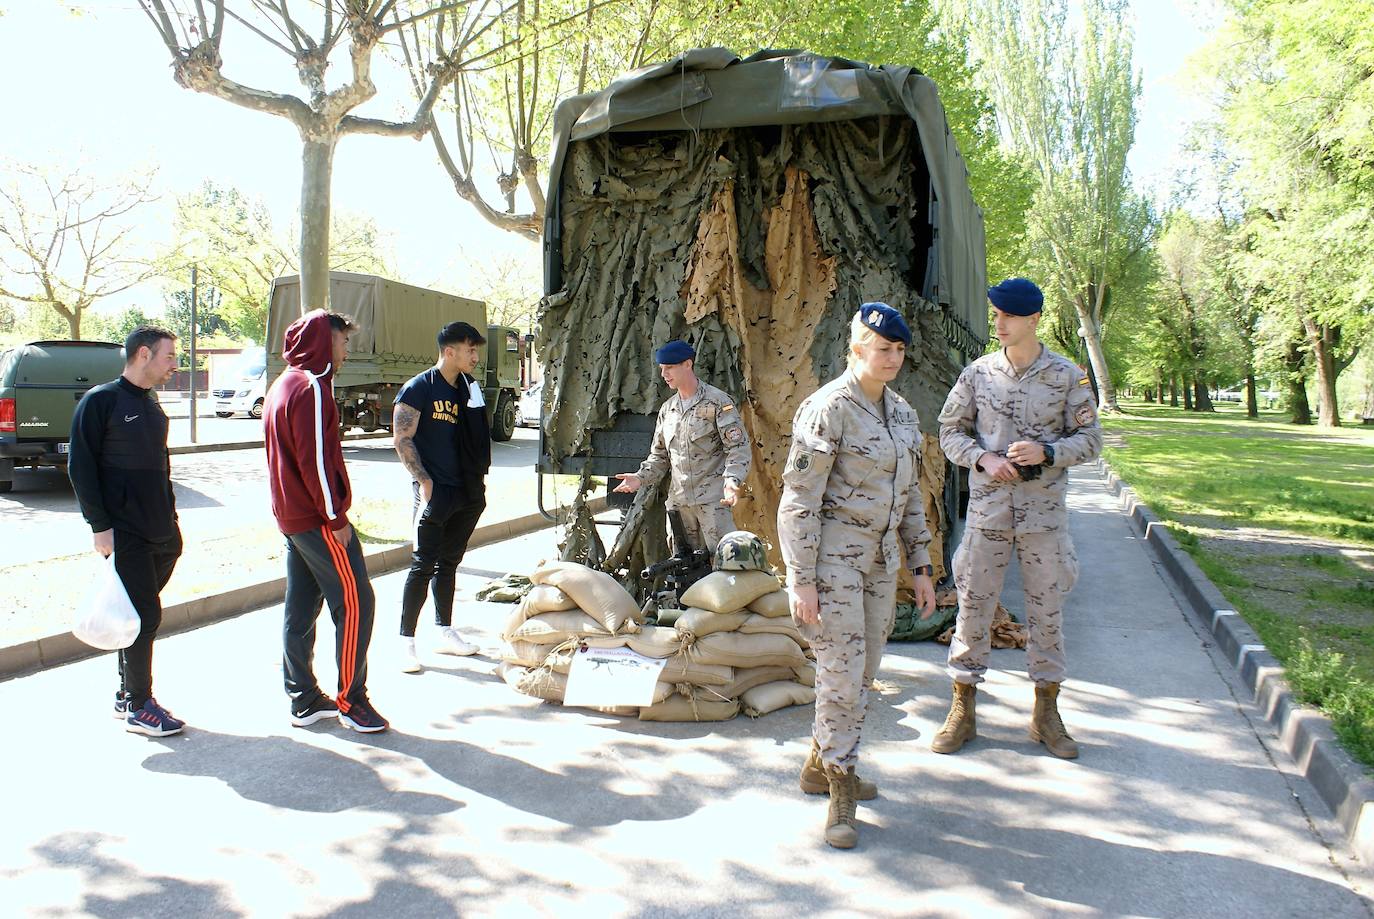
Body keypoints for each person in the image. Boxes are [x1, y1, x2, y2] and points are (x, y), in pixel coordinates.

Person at [777, 304, 937, 850]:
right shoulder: (827, 410)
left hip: (880, 562)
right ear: (856, 350)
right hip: (833, 563)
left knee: (864, 672)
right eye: (881, 347)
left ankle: (820, 764)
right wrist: (801, 580)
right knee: (842, 677)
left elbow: (912, 495)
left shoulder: (903, 414)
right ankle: (840, 790)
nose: (892, 358)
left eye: (898, 350)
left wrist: (921, 565)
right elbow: (797, 501)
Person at [933, 277, 1102, 760]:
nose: (999, 324)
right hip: (988, 513)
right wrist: (983, 460)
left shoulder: (1067, 376)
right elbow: (949, 431)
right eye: (997, 315)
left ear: (1033, 320)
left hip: (1043, 518)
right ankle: (963, 709)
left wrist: (1047, 452)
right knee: (973, 608)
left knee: (1047, 615)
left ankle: (1046, 713)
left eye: (1008, 316)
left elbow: (1091, 441)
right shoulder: (978, 374)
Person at [263, 309, 387, 733]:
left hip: (292, 517)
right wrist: (335, 516)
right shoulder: (312, 387)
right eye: (343, 341)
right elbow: (314, 459)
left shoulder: (283, 383)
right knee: (356, 603)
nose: (347, 350)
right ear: (323, 341)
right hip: (316, 518)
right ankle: (352, 700)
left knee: (301, 606)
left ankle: (303, 698)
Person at [69, 326, 185, 737]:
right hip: (125, 532)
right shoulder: (102, 401)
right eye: (169, 356)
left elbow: (160, 469)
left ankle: (126, 693)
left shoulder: (151, 406)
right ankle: (140, 705)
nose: (175, 364)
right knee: (143, 615)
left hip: (160, 532)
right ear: (142, 355)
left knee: (135, 612)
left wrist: (171, 524)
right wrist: (100, 527)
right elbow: (80, 467)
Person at [391, 321, 492, 673]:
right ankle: (406, 641)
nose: (475, 357)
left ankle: (444, 630)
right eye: (470, 350)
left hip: (465, 489)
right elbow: (402, 439)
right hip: (434, 489)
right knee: (423, 564)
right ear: (450, 352)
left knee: (449, 563)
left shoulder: (469, 388)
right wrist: (422, 480)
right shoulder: (419, 388)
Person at [613, 340, 750, 555]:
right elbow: (659, 456)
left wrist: (732, 481)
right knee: (684, 569)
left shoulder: (718, 403)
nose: (664, 374)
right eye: (662, 369)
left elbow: (738, 448)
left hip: (712, 503)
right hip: (679, 504)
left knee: (725, 566)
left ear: (687, 364)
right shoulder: (668, 410)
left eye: (669, 368)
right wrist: (639, 478)